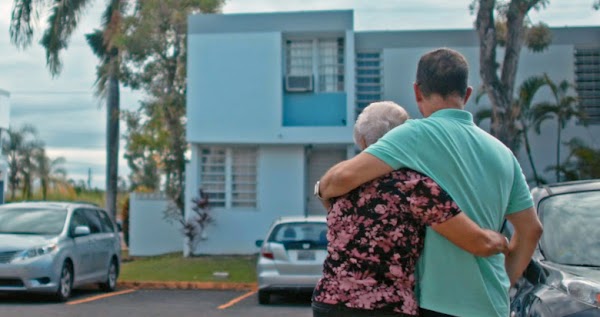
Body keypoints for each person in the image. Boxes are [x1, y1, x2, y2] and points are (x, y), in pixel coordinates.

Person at [316, 48, 543, 317]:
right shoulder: (504, 154)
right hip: (492, 305)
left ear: (417, 91)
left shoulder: (413, 135)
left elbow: (343, 178)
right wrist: (503, 278)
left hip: (437, 303)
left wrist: (322, 189)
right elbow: (531, 230)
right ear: (467, 94)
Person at [312, 101, 509, 317]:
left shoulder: (341, 182)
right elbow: (477, 243)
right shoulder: (415, 187)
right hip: (388, 307)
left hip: (329, 302)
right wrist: (502, 242)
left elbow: (326, 198)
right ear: (404, 139)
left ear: (360, 140)